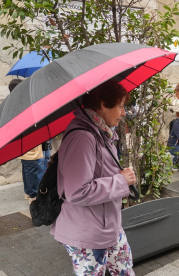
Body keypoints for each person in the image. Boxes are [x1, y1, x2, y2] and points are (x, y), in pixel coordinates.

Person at [51, 80, 136, 275]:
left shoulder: (102, 132)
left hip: (109, 226)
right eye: (121, 106)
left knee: (125, 271)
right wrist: (121, 181)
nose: (124, 112)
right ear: (104, 105)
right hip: (88, 234)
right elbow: (77, 192)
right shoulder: (83, 137)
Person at [9, 79, 44, 203]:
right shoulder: (20, 104)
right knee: (31, 168)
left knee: (27, 168)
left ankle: (28, 192)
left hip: (25, 143)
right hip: (29, 141)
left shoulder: (13, 104)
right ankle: (33, 195)